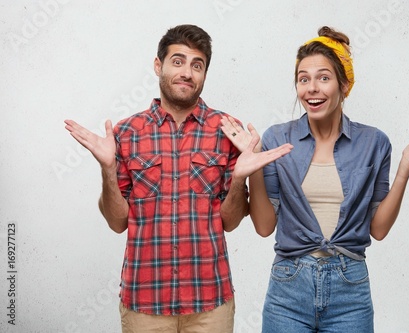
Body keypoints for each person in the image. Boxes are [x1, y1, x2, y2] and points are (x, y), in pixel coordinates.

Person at [220, 26, 409, 332]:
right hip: (288, 287)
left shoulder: (375, 142)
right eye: (304, 79)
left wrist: (405, 167)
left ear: (344, 85)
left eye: (323, 78)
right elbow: (264, 227)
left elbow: (379, 229)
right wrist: (255, 164)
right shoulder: (276, 137)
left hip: (350, 289)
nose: (311, 88)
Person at [64, 24, 291, 333]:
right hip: (144, 303)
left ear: (205, 74)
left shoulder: (228, 131)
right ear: (159, 66)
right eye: (178, 61)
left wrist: (240, 178)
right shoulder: (127, 133)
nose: (187, 72)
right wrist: (107, 168)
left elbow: (231, 221)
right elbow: (118, 222)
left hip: (210, 303)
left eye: (197, 65)